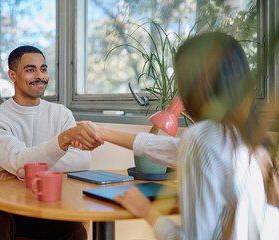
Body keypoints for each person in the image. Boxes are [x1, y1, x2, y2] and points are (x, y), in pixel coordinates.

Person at [74, 32, 279, 239]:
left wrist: (148, 212)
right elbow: (172, 148)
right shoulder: (250, 136)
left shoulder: (203, 138)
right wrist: (103, 132)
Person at [0, 45, 102, 240]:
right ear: (12, 75)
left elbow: (82, 161)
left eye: (44, 69)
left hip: (40, 200)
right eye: (30, 70)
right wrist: (62, 142)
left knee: (75, 231)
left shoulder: (61, 114)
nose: (40, 75)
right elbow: (20, 163)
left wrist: (21, 173)